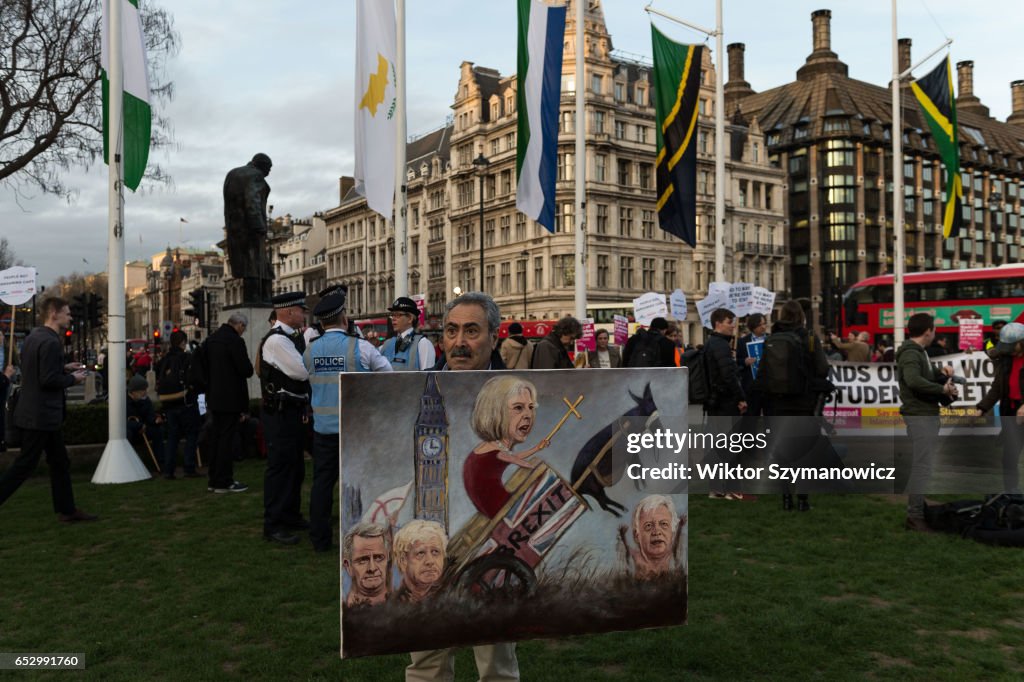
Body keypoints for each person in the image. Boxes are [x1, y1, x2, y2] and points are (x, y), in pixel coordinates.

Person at [410, 290, 519, 682]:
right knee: (427, 660)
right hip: (430, 548)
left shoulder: (513, 393)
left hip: (488, 548)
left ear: (495, 335)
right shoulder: (425, 388)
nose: (459, 342)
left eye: (471, 331)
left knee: (495, 659)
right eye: (451, 331)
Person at [304, 290, 391, 553]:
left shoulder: (310, 351)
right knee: (360, 483)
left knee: (322, 484)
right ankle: (363, 539)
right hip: (355, 428)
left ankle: (319, 540)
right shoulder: (360, 347)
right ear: (345, 317)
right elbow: (387, 374)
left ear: (321, 323)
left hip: (323, 429)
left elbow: (305, 376)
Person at [0, 297, 95, 522]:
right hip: (41, 416)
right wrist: (72, 378)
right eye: (67, 313)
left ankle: (67, 510)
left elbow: (35, 369)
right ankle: (67, 509)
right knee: (25, 465)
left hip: (38, 414)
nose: (71, 317)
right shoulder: (51, 342)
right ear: (54, 314)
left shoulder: (35, 336)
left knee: (60, 462)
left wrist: (62, 367)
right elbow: (47, 380)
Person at [753, 301, 830, 512]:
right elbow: (822, 367)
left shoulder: (771, 339)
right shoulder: (810, 338)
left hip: (778, 403)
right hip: (804, 402)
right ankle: (803, 500)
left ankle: (786, 498)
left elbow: (763, 373)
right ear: (801, 317)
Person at [259, 291, 312, 546]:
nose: (304, 315)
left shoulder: (291, 337)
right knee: (280, 468)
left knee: (294, 467)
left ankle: (290, 515)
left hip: (292, 411)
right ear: (289, 311)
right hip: (280, 413)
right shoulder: (277, 341)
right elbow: (302, 372)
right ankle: (274, 523)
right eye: (302, 310)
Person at [896, 312, 957, 532]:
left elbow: (923, 375)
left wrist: (941, 372)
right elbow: (913, 380)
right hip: (920, 415)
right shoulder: (912, 353)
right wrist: (942, 389)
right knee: (922, 466)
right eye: (934, 330)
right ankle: (915, 516)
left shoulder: (917, 352)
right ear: (928, 331)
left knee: (923, 465)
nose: (935, 334)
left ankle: (918, 509)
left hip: (924, 413)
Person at [464, 376, 549, 517]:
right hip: (501, 509)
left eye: (531, 407)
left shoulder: (490, 447)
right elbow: (519, 461)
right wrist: (535, 468)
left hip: (496, 509)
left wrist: (537, 448)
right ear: (496, 412)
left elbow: (512, 457)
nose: (528, 415)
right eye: (518, 408)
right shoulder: (494, 451)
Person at [204, 311, 253, 494]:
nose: (243, 331)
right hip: (231, 398)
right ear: (239, 325)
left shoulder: (212, 340)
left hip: (214, 397)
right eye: (243, 328)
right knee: (226, 440)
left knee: (216, 439)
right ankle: (224, 481)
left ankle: (214, 479)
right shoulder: (235, 341)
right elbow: (245, 369)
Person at [976, 322, 1024, 494]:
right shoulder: (1006, 359)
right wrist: (982, 407)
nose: (1009, 349)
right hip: (1011, 413)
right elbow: (998, 386)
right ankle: (1012, 493)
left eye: (1012, 345)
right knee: (1009, 458)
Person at [223, 153, 273, 304]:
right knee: (257, 269)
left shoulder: (232, 174)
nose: (269, 172)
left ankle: (253, 299)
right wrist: (259, 226)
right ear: (262, 165)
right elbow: (252, 201)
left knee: (248, 268)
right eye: (269, 168)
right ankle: (259, 301)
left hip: (235, 230)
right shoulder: (255, 176)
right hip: (251, 230)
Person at [155, 330, 201, 479]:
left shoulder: (164, 360)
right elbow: (195, 379)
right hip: (186, 403)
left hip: (168, 404)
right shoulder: (187, 358)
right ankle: (189, 468)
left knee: (172, 439)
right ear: (183, 343)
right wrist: (201, 404)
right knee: (191, 435)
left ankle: (169, 470)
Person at [619, 494, 684, 579]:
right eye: (648, 526)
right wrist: (622, 536)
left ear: (672, 532)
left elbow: (676, 544)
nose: (656, 532)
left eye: (664, 524)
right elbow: (626, 549)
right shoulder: (636, 558)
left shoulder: (672, 557)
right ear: (636, 536)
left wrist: (680, 527)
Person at [392, 519, 448, 603]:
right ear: (403, 561)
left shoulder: (452, 601)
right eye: (420, 553)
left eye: (435, 552)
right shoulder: (390, 605)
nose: (430, 561)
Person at [381, 297, 436, 371]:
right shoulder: (387, 344)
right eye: (392, 315)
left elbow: (428, 378)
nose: (393, 318)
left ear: (410, 318)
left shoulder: (423, 344)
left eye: (398, 315)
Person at [343, 522, 390, 606]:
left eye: (378, 558)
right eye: (363, 560)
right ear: (348, 566)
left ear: (387, 558)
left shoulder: (406, 605)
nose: (372, 568)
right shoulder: (345, 612)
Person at [736, 313, 769, 424]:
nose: (763, 327)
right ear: (753, 326)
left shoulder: (771, 340)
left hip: (767, 387)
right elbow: (737, 362)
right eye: (760, 325)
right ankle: (749, 441)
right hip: (751, 387)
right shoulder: (742, 341)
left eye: (764, 323)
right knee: (750, 420)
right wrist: (744, 361)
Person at [127, 373, 163, 460]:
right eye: (142, 390)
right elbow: (123, 422)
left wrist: (155, 420)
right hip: (132, 430)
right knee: (127, 433)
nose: (144, 393)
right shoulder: (125, 401)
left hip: (143, 429)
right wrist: (139, 425)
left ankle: (161, 460)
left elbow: (150, 415)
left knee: (157, 431)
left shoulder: (145, 400)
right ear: (134, 392)